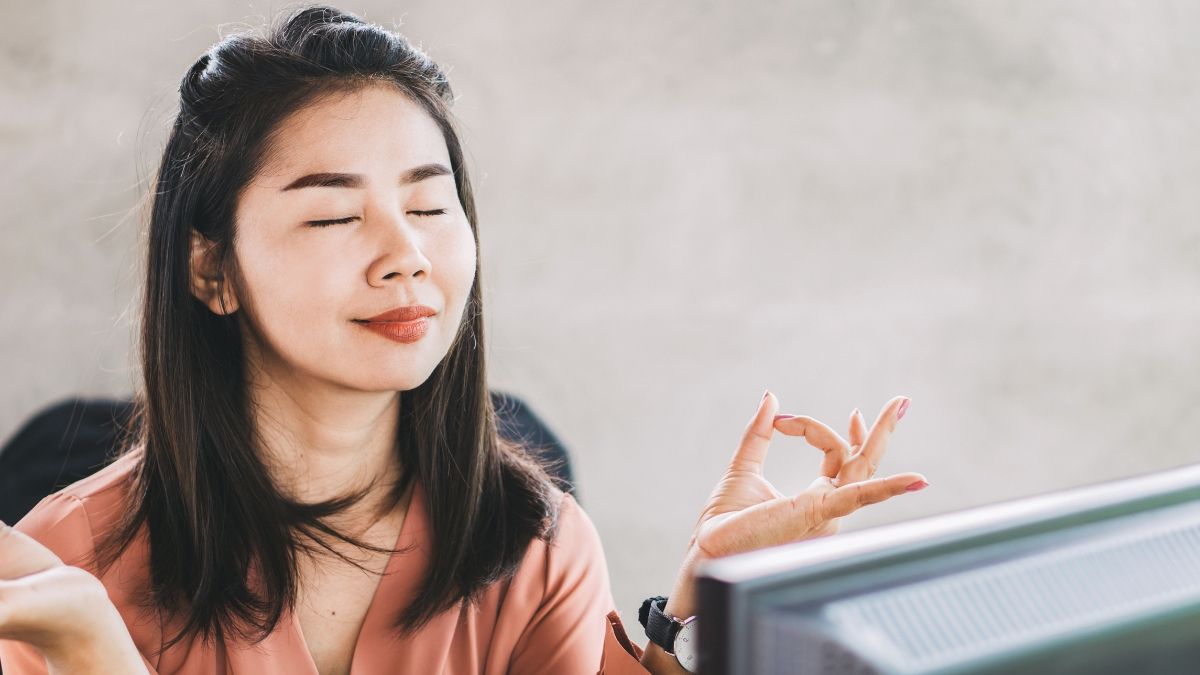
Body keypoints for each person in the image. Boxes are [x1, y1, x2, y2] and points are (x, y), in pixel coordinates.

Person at [0, 5, 928, 674]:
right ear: (212, 269)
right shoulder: (65, 565)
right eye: (334, 217)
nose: (406, 255)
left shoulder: (533, 545)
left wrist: (698, 606)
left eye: (430, 205)